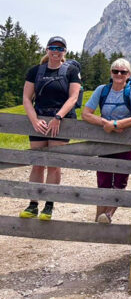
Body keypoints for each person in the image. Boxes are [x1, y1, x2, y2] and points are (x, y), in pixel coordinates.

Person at [19, 36, 82, 220]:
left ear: (65, 52)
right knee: (37, 163)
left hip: (60, 121)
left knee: (53, 164)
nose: (56, 51)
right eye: (53, 47)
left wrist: (58, 117)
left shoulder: (71, 71)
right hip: (39, 121)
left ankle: (49, 205)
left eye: (60, 49)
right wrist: (34, 121)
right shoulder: (35, 71)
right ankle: (33, 204)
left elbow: (73, 97)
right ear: (47, 50)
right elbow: (26, 98)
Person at [82, 58, 131, 224]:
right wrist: (105, 123)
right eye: (115, 71)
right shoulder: (102, 90)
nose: (119, 74)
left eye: (123, 72)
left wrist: (116, 124)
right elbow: (86, 113)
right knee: (103, 177)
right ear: (111, 73)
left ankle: (108, 215)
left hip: (128, 142)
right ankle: (99, 218)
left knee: (121, 178)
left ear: (128, 75)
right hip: (106, 140)